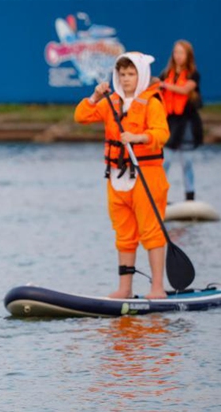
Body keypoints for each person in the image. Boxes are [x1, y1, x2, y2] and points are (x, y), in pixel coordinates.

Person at [74, 52, 170, 299]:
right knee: (124, 234)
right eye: (122, 74)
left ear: (141, 75)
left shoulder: (153, 103)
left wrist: (139, 137)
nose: (126, 79)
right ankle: (125, 288)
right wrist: (95, 96)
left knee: (151, 232)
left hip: (147, 176)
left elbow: (162, 134)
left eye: (131, 74)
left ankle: (157, 288)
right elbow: (81, 116)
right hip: (117, 178)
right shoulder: (110, 102)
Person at [159, 40, 203, 202]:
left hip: (187, 123)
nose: (178, 56)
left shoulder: (193, 74)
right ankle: (159, 195)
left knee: (187, 162)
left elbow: (185, 89)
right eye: (176, 52)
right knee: (165, 161)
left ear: (188, 55)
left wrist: (163, 84)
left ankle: (190, 197)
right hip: (170, 123)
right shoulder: (166, 73)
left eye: (181, 53)